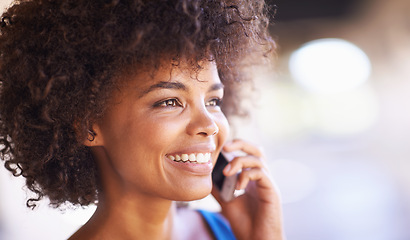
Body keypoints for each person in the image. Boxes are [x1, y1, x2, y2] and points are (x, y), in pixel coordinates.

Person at [0, 0, 284, 239]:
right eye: (169, 102)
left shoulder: (230, 230)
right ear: (86, 123)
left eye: (213, 101)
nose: (209, 125)